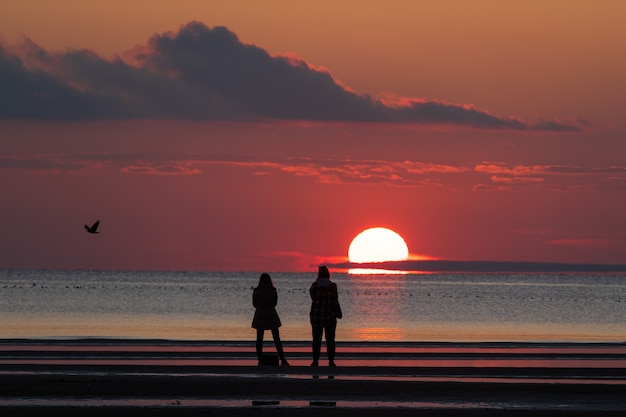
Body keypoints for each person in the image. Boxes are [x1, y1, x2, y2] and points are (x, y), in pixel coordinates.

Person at [251, 273, 289, 366]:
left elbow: (254, 304)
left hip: (260, 314)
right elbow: (275, 303)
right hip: (271, 313)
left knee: (259, 339)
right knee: (276, 338)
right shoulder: (273, 290)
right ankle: (283, 359)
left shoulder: (256, 290)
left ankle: (260, 359)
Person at [309, 265, 342, 366]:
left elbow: (313, 298)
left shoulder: (314, 286)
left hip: (316, 316)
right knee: (330, 340)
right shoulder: (333, 286)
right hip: (330, 316)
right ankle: (331, 360)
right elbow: (335, 300)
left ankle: (315, 360)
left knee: (316, 340)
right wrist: (338, 312)